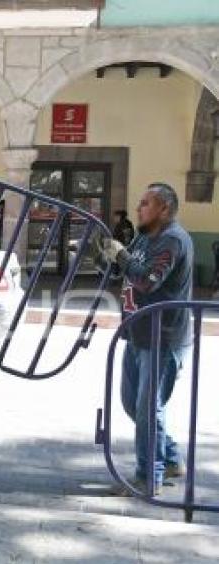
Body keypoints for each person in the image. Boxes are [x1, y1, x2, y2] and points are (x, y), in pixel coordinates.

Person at [100, 183, 193, 496]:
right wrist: (108, 257)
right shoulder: (144, 236)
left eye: (145, 203)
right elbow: (127, 273)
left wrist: (122, 256)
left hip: (162, 339)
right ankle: (169, 458)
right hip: (137, 332)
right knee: (134, 405)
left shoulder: (173, 241)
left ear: (164, 209)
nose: (138, 208)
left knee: (147, 408)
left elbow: (147, 280)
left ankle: (147, 477)